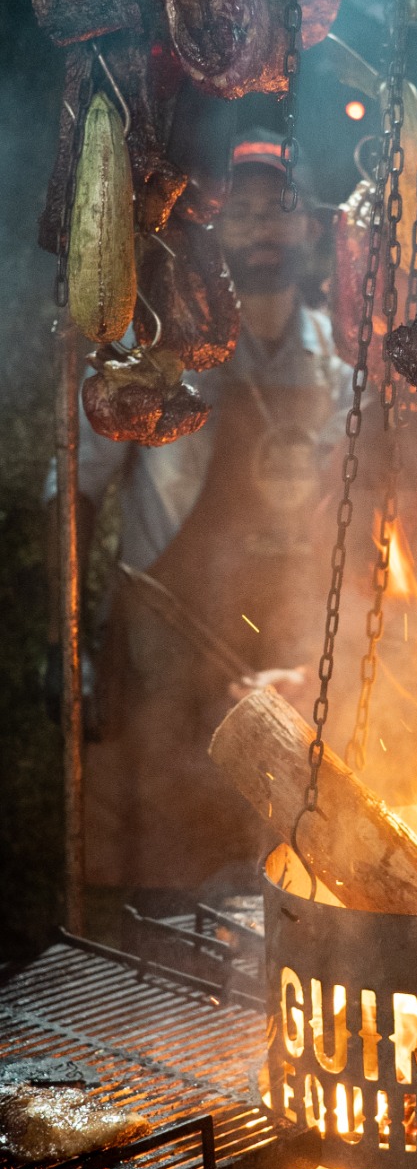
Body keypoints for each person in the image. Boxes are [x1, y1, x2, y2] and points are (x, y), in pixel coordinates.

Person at [46, 131, 363, 902]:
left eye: (278, 209)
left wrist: (325, 657)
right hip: (165, 653)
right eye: (241, 212)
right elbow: (76, 485)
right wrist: (65, 636)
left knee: (286, 877)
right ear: (212, 230)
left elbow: (351, 530)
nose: (260, 228)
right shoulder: (155, 350)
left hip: (285, 657)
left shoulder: (341, 366)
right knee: (162, 869)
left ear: (311, 227)